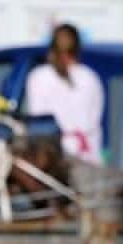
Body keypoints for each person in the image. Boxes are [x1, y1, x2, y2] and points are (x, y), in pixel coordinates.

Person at [25, 23, 105, 164]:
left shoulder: (38, 77)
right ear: (78, 49)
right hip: (87, 156)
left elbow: (38, 121)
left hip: (53, 159)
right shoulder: (90, 78)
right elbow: (95, 121)